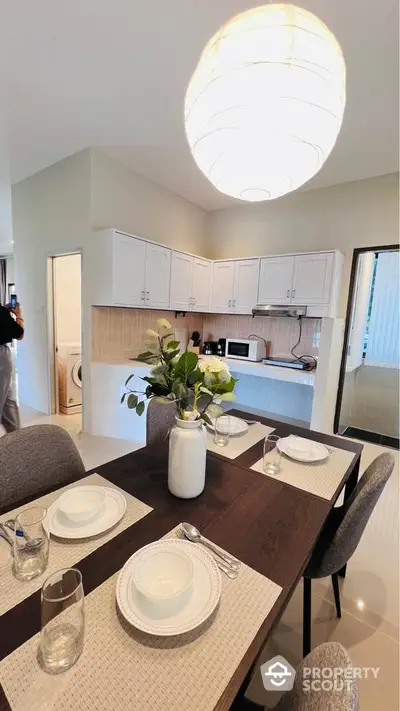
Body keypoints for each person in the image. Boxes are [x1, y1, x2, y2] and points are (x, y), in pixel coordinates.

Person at [0, 301, 24, 432]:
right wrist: (19, 316)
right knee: (6, 397)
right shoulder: (2, 313)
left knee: (8, 399)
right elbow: (19, 334)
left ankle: (16, 437)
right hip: (1, 357)